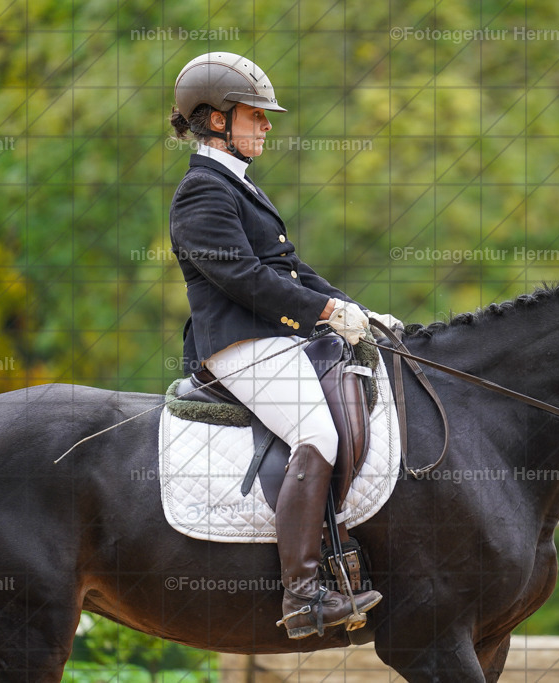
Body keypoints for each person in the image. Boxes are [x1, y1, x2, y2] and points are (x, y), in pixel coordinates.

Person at [168, 52, 400, 639]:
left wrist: (357, 311)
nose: (267, 125)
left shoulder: (240, 188)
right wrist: (325, 312)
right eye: (255, 115)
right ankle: (303, 593)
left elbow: (291, 270)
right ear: (216, 120)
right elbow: (243, 279)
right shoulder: (203, 191)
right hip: (236, 345)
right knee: (317, 431)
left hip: (273, 339)